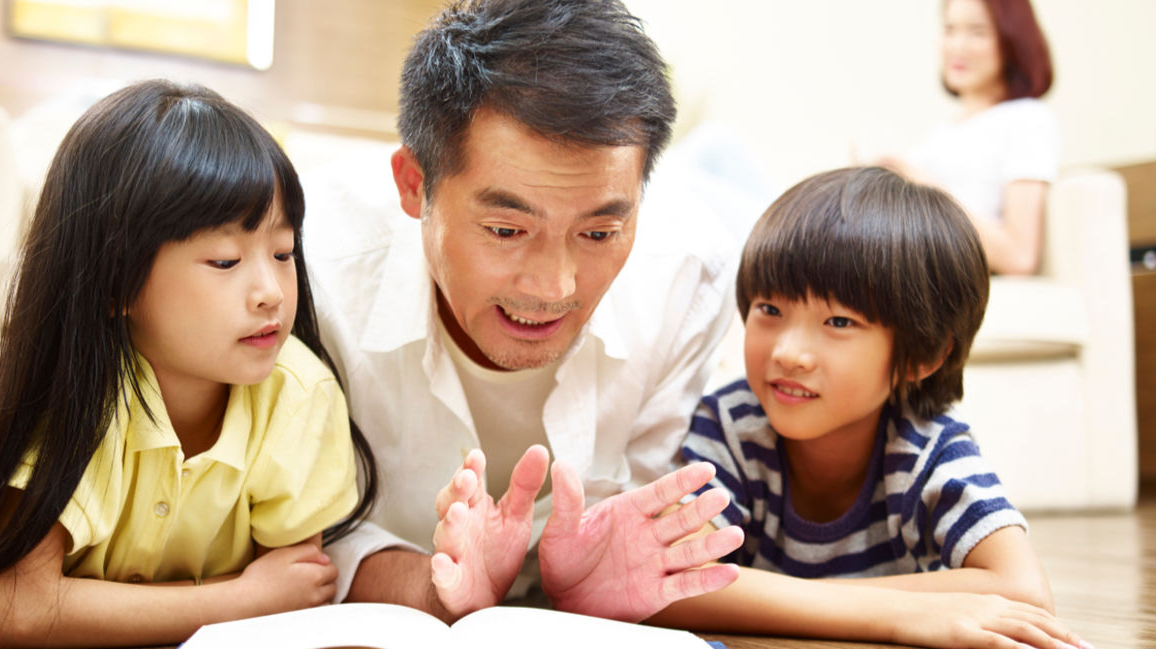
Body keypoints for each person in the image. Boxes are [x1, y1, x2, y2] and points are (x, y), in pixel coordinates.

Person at [304, 0, 743, 623]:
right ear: (413, 185)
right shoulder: (310, 263)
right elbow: (301, 528)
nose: (553, 287)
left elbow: (635, 513)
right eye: (506, 230)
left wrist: (598, 578)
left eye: (598, 234)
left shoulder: (689, 273)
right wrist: (438, 591)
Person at [0, 79, 377, 648]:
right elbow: (26, 612)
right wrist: (241, 598)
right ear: (117, 282)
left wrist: (62, 615)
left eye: (283, 253)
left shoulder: (300, 393)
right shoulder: (78, 393)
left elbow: (293, 596)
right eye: (225, 259)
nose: (271, 292)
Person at [648, 167, 1090, 649]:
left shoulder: (929, 446)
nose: (788, 353)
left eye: (838, 321)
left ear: (922, 355)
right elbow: (668, 580)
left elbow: (1023, 589)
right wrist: (894, 613)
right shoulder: (731, 425)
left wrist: (772, 599)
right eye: (769, 310)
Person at [883, 0, 1058, 275]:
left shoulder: (1027, 119)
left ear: (1012, 40)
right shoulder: (941, 134)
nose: (957, 46)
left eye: (977, 32)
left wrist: (923, 186)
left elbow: (1019, 256)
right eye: (950, 30)